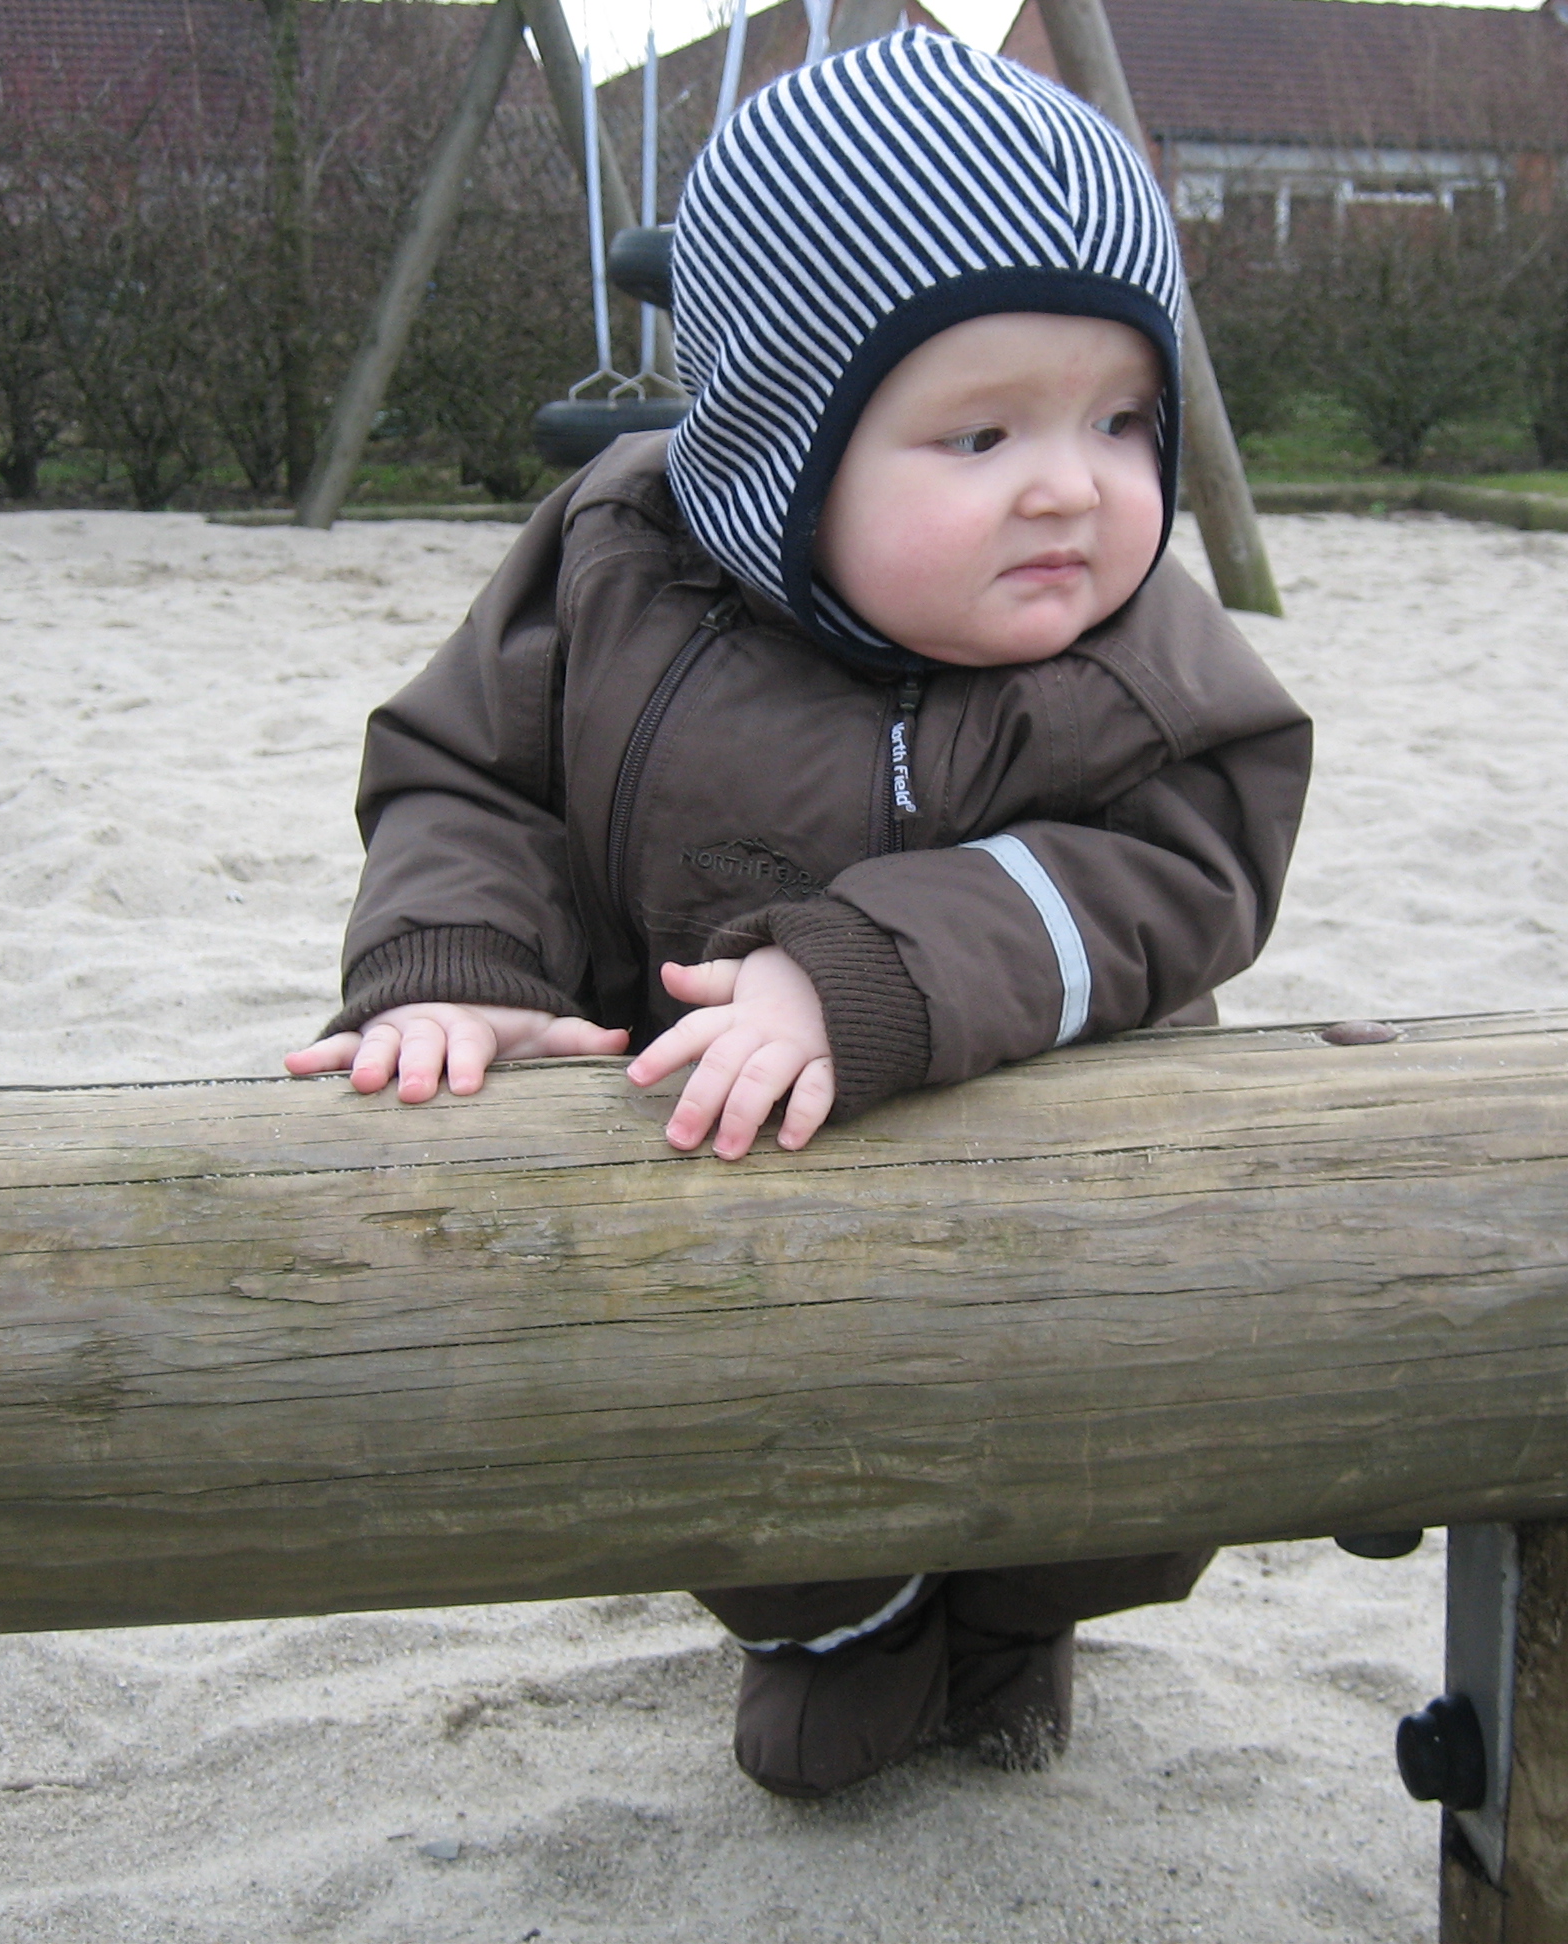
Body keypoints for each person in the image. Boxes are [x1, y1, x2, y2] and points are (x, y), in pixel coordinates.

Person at [286, 28, 1312, 1799]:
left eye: (1121, 419)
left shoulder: (1137, 648)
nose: (1072, 486)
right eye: (979, 431)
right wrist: (459, 967)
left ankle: (1015, 1624)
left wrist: (868, 970)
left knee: (1113, 1465)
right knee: (715, 1432)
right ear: (781, 436)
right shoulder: (616, 556)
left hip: (1052, 1168)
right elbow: (472, 771)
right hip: (720, 1155)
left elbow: (1195, 852)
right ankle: (843, 1627)